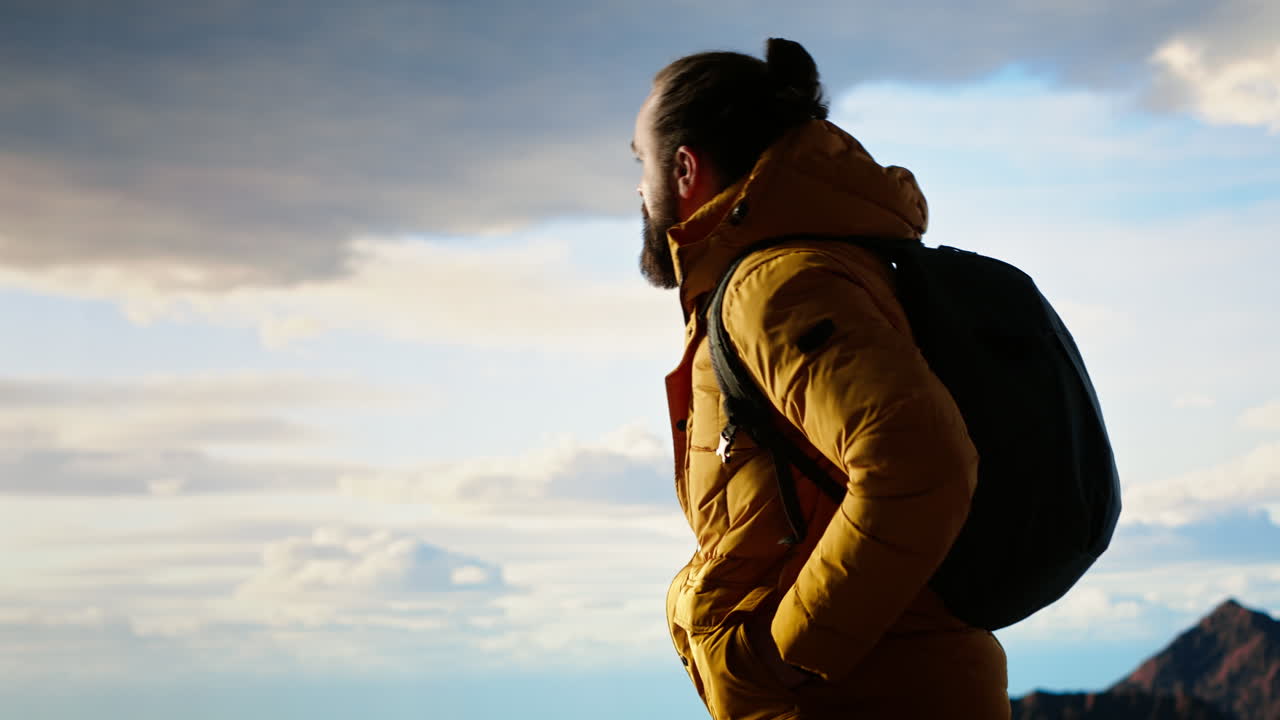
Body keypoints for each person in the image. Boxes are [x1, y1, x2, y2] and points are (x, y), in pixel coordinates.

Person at [632, 38, 1010, 719]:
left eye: (641, 164)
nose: (638, 188)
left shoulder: (776, 287)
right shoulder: (830, 267)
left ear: (685, 168)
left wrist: (790, 652)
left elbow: (921, 464)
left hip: (860, 697)